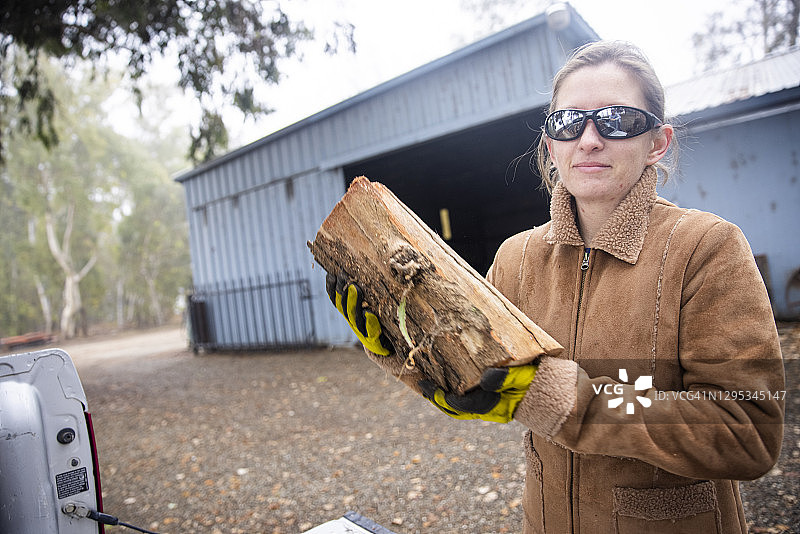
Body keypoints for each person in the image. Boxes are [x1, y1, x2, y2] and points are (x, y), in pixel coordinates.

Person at [326, 40, 784, 533]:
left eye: (617, 120)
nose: (589, 139)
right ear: (550, 144)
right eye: (569, 123)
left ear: (657, 142)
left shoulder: (706, 248)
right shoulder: (516, 258)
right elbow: (484, 380)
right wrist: (404, 350)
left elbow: (748, 430)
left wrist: (568, 402)